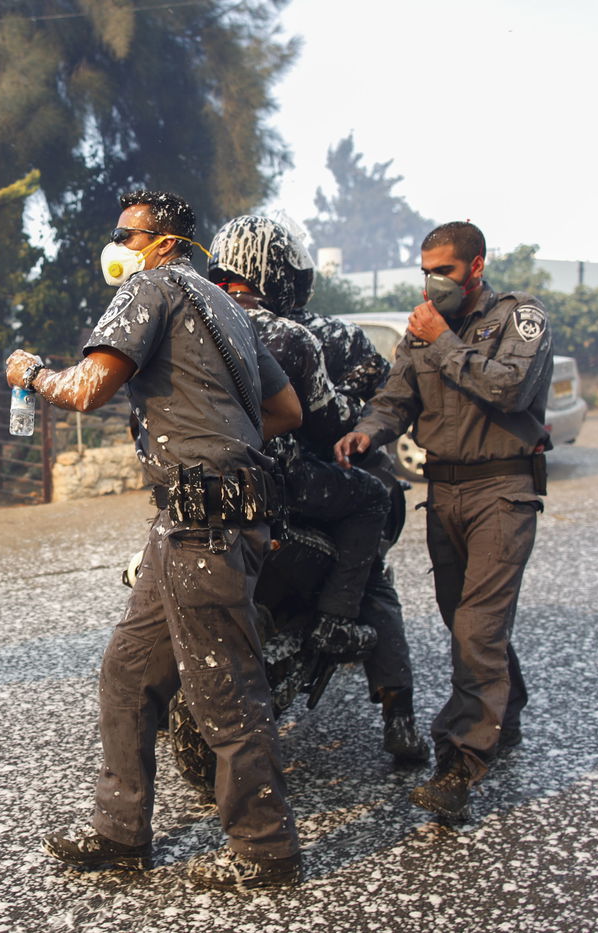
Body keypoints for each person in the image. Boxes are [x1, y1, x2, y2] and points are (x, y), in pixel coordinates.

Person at [7, 190, 306, 890]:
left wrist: (30, 373)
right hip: (199, 521)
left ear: (165, 243)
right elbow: (288, 409)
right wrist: (225, 439)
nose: (117, 245)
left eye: (128, 234)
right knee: (128, 672)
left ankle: (267, 850)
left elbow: (88, 387)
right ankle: (121, 834)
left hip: (203, 524)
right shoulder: (227, 305)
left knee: (224, 690)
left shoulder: (151, 288)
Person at [334, 221, 553, 821]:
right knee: (464, 620)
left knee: (477, 630)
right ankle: (504, 713)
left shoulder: (518, 318)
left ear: (476, 266)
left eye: (446, 271)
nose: (434, 282)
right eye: (426, 271)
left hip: (502, 491)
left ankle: (458, 764)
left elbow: (510, 390)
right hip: (445, 493)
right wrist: (367, 432)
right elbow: (396, 399)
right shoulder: (423, 326)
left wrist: (445, 342)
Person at [209, 214, 427, 763]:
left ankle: (152, 706)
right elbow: (350, 410)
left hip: (216, 486)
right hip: (301, 488)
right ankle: (398, 714)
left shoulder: (196, 326)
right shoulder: (319, 335)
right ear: (285, 273)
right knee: (373, 577)